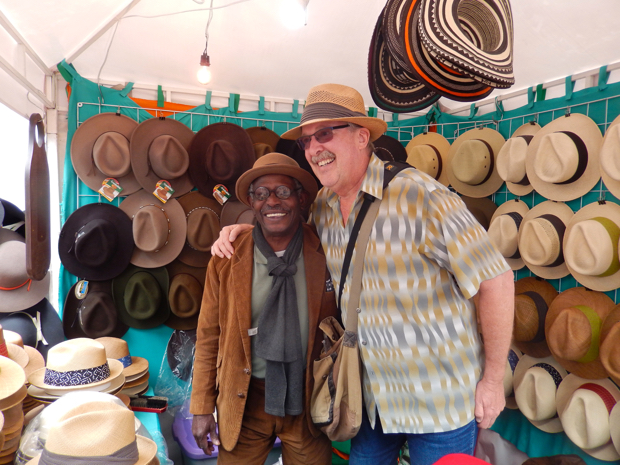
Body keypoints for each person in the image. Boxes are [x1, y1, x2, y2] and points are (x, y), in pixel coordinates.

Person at [212, 83, 515, 465]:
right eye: (306, 140)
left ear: (361, 137)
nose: (314, 148)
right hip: (369, 400)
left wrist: (492, 380)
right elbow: (288, 234)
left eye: (325, 134)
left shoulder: (422, 197)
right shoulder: (323, 205)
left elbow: (496, 280)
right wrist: (246, 232)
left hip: (439, 400)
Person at [190, 152, 338, 465]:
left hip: (308, 400)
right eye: (261, 194)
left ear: (300, 199)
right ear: (251, 202)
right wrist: (201, 407)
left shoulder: (326, 251)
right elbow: (208, 336)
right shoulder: (227, 258)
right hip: (245, 400)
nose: (272, 201)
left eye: (283, 191)